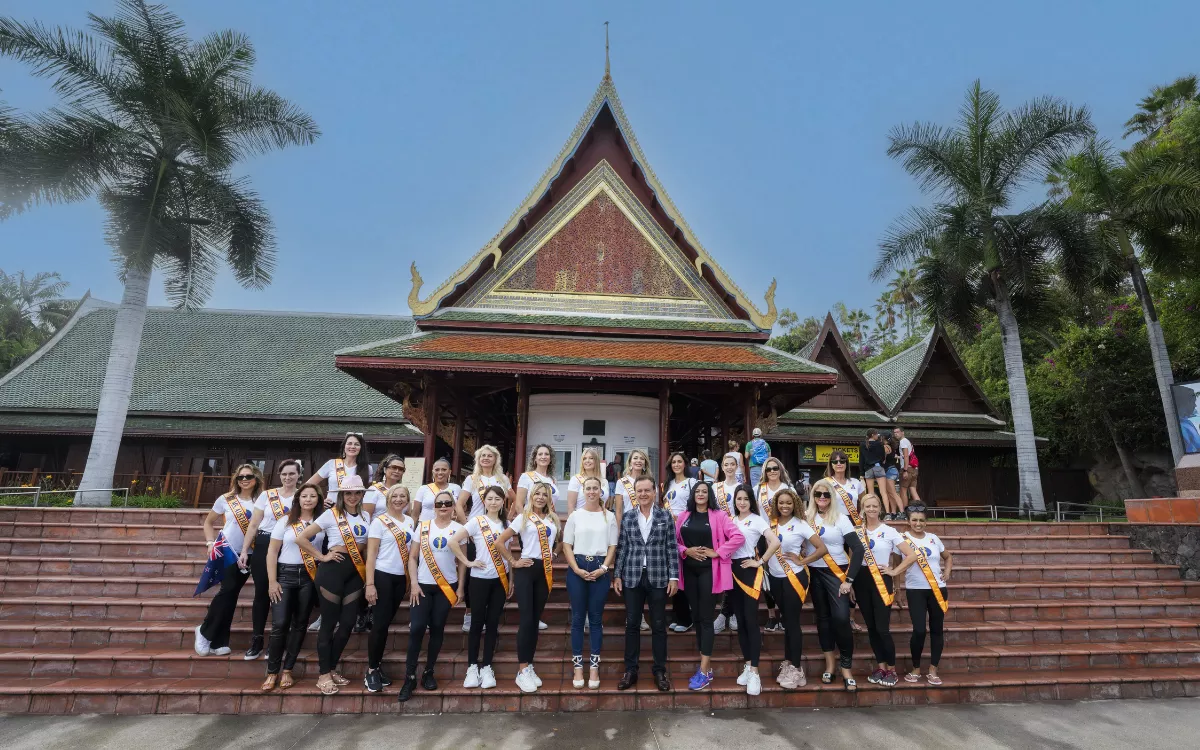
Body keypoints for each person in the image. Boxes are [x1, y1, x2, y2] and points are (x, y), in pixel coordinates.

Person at [296, 474, 371, 695]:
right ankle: (323, 674)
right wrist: (322, 556)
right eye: (348, 493)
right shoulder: (331, 514)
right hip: (332, 571)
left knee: (347, 623)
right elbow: (301, 538)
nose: (353, 496)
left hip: (355, 573)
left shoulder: (366, 515)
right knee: (329, 624)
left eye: (357, 492)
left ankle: (331, 667)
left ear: (362, 494)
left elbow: (366, 546)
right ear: (342, 495)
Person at [674, 481, 744, 690]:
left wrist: (718, 551)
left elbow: (738, 537)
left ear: (709, 495)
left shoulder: (719, 516)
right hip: (688, 571)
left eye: (705, 491)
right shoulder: (684, 516)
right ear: (693, 495)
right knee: (696, 617)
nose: (701, 494)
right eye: (698, 491)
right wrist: (685, 551)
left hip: (708, 572)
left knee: (705, 618)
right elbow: (674, 541)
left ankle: (705, 670)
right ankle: (705, 664)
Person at [398, 490, 466, 702]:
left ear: (453, 506)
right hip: (423, 587)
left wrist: (461, 588)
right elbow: (413, 557)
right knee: (417, 628)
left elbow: (463, 561)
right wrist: (415, 583)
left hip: (447, 587)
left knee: (437, 627)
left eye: (447, 503)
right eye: (439, 504)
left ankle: (428, 671)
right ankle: (409, 676)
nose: (443, 506)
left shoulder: (459, 529)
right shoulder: (423, 526)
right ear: (434, 507)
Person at [613, 476, 678, 693]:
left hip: (659, 577)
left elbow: (671, 547)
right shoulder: (629, 517)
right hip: (632, 577)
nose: (642, 494)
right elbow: (622, 547)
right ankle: (630, 670)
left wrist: (674, 577)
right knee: (632, 624)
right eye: (639, 491)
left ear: (654, 492)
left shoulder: (665, 516)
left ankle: (659, 671)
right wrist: (617, 575)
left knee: (659, 625)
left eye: (647, 490)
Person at [195, 464, 265, 658]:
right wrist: (210, 543)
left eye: (249, 476)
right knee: (227, 591)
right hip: (228, 551)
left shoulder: (264, 500)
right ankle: (204, 630)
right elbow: (208, 522)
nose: (244, 479)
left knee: (232, 594)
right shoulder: (226, 499)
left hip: (252, 552)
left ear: (256, 478)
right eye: (240, 477)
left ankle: (219, 641)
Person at [498, 481, 560, 693]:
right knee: (526, 620)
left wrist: (554, 553)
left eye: (544, 494)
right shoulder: (522, 517)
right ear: (531, 496)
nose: (541, 497)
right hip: (527, 569)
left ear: (549, 498)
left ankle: (529, 665)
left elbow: (557, 542)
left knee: (535, 621)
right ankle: (522, 669)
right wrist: (513, 562)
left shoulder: (552, 519)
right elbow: (499, 542)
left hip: (545, 572)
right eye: (537, 494)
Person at [261, 482, 324, 691]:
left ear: (318, 499)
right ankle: (272, 672)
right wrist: (272, 581)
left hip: (309, 576)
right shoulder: (285, 521)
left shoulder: (322, 522)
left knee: (300, 623)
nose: (308, 500)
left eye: (312, 496)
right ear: (298, 499)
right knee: (279, 624)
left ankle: (288, 669)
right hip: (285, 575)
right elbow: (272, 552)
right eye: (304, 496)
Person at [237, 459, 301, 660]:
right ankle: (257, 639)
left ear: (299, 475)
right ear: (279, 476)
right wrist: (245, 550)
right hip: (265, 544)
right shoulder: (267, 495)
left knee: (286, 594)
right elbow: (254, 524)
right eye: (284, 474)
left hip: (290, 546)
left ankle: (278, 642)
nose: (288, 477)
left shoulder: (302, 495)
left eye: (292, 474)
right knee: (262, 593)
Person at [805, 478, 865, 691]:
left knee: (840, 618)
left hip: (837, 572)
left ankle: (846, 667)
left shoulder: (840, 518)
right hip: (814, 573)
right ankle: (830, 664)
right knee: (822, 619)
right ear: (812, 496)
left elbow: (858, 549)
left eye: (826, 494)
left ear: (832, 497)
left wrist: (849, 580)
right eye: (818, 494)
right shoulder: (805, 518)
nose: (822, 498)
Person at [450, 485, 511, 690]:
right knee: (477, 623)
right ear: (483, 502)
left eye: (497, 499)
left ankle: (487, 666)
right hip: (479, 579)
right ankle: (472, 667)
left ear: (503, 502)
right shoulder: (477, 521)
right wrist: (467, 563)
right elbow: (453, 541)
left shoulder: (507, 524)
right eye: (490, 499)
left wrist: (511, 580)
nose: (493, 502)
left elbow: (508, 553)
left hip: (500, 579)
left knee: (493, 623)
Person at [768, 487, 829, 690]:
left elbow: (822, 549)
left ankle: (796, 668)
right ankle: (789, 663)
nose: (784, 506)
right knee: (786, 620)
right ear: (776, 504)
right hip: (776, 578)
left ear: (795, 504)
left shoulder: (801, 525)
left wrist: (803, 561)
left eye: (788, 503)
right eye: (781, 503)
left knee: (792, 622)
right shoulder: (771, 524)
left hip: (794, 577)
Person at [562, 476, 618, 689]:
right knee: (577, 618)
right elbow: (567, 544)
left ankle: (594, 666)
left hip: (599, 569)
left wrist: (604, 568)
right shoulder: (575, 515)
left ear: (601, 491)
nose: (592, 491)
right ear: (583, 491)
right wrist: (575, 569)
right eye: (588, 488)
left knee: (595, 619)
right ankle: (578, 666)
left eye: (596, 488)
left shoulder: (609, 516)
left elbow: (613, 545)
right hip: (577, 567)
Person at [855, 493, 916, 688]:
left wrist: (894, 571)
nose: (871, 509)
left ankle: (891, 669)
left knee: (882, 628)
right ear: (862, 508)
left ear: (880, 508)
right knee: (871, 628)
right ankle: (881, 667)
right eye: (867, 506)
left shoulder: (889, 531)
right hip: (861, 581)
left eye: (874, 506)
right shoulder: (857, 532)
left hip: (882, 581)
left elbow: (911, 555)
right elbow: (852, 559)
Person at [727, 484, 781, 695]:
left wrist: (760, 562)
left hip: (749, 572)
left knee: (750, 621)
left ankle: (755, 671)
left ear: (751, 501)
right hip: (731, 572)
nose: (742, 502)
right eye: (739, 499)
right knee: (740, 622)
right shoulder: (730, 520)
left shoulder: (758, 520)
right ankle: (748, 666)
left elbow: (775, 542)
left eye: (746, 499)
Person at [891, 505, 952, 686]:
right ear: (908, 521)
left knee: (936, 629)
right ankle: (916, 667)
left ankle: (933, 668)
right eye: (914, 520)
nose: (918, 523)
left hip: (938, 589)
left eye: (922, 520)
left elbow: (948, 557)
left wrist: (947, 572)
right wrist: (897, 590)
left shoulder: (934, 539)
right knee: (919, 630)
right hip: (915, 590)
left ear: (926, 521)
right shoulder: (902, 540)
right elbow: (896, 567)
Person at [363, 484, 415, 693]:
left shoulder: (410, 521)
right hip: (382, 576)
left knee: (386, 623)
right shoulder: (379, 522)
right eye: (395, 496)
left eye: (403, 496)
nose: (399, 499)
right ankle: (371, 669)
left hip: (400, 578)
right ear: (388, 499)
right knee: (380, 625)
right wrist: (370, 584)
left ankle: (377, 666)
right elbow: (371, 555)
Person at [455, 445, 512, 633]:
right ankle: (470, 614)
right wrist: (468, 528)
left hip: (497, 528)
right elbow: (459, 505)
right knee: (475, 573)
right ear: (478, 460)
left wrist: (509, 520)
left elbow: (515, 501)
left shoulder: (502, 479)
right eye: (483, 456)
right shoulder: (472, 479)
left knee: (498, 569)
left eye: (490, 456)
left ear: (496, 459)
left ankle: (491, 614)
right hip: (477, 531)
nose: (486, 459)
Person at [662, 451, 697, 632]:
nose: (676, 465)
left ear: (685, 464)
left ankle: (686, 618)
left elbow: (697, 506)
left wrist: (682, 518)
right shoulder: (668, 484)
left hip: (685, 529)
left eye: (679, 462)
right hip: (670, 530)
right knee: (674, 572)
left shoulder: (692, 483)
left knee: (684, 574)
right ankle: (678, 615)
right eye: (673, 462)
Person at [712, 453, 743, 635]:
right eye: (726, 464)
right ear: (722, 467)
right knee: (725, 574)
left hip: (738, 534)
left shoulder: (742, 487)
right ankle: (727, 613)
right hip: (719, 535)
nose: (730, 467)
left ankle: (727, 614)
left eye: (733, 464)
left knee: (736, 573)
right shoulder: (716, 487)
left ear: (737, 467)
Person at [308, 433, 372, 507]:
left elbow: (367, 493)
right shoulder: (332, 464)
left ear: (361, 448)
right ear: (344, 446)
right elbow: (309, 484)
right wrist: (319, 500)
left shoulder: (367, 468)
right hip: (332, 509)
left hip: (354, 510)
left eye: (356, 444)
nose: (352, 446)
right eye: (349, 443)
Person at [411, 458, 462, 523]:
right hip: (426, 528)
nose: (440, 472)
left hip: (448, 528)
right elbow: (415, 514)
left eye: (444, 470)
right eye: (437, 470)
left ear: (449, 472)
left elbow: (462, 508)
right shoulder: (423, 489)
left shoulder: (456, 488)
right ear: (433, 472)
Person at [516, 444, 561, 515]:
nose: (543, 457)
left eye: (546, 454)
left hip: (548, 520)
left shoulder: (552, 480)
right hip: (531, 520)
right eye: (540, 454)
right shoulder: (526, 477)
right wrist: (525, 523)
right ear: (535, 459)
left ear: (550, 459)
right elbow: (519, 505)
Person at [824, 450, 862, 525]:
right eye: (835, 462)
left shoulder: (856, 482)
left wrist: (861, 516)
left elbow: (864, 502)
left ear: (846, 463)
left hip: (853, 521)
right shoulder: (826, 483)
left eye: (842, 461)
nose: (839, 464)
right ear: (831, 464)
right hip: (833, 521)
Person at [566, 447, 608, 514]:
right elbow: (571, 507)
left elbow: (605, 505)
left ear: (596, 461)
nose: (587, 461)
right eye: (584, 458)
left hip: (600, 520)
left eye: (591, 458)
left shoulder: (604, 481)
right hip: (581, 520)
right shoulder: (576, 480)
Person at [613, 448, 651, 518]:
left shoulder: (650, 481)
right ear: (630, 462)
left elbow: (653, 506)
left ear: (645, 463)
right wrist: (618, 528)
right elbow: (618, 511)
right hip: (629, 523)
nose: (638, 461)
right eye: (635, 458)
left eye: (642, 459)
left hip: (647, 522)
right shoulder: (621, 482)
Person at [755, 456, 793, 521]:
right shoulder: (757, 489)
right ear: (765, 472)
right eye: (768, 469)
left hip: (784, 529)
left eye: (775, 468)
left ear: (780, 470)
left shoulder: (789, 489)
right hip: (763, 530)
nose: (772, 471)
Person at [894, 427, 922, 509]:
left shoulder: (902, 442)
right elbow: (907, 455)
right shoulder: (908, 441)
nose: (896, 434)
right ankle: (921, 509)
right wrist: (898, 457)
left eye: (897, 432)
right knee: (913, 489)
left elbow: (906, 456)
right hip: (914, 468)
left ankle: (905, 511)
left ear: (902, 432)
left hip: (907, 469)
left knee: (903, 490)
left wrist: (905, 470)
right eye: (894, 432)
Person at [859, 430, 887, 511]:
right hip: (878, 467)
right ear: (873, 435)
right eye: (876, 434)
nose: (877, 436)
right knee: (883, 492)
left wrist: (861, 473)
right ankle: (888, 513)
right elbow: (882, 457)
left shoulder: (863, 444)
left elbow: (861, 459)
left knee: (870, 493)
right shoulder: (879, 444)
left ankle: (871, 510)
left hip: (868, 469)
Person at [881, 435, 903, 519]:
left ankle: (902, 512)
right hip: (893, 470)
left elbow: (883, 460)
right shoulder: (892, 447)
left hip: (889, 471)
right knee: (890, 493)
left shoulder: (885, 447)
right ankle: (893, 512)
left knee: (893, 493)